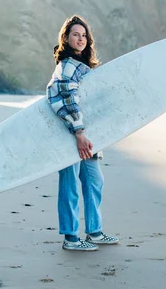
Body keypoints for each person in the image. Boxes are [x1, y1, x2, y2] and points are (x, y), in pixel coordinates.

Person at [46, 15, 120, 251]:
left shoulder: (82, 67)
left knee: (93, 181)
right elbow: (64, 97)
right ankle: (70, 237)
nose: (80, 39)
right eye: (75, 35)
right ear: (66, 39)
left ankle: (94, 232)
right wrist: (78, 132)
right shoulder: (67, 66)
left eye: (84, 35)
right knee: (69, 186)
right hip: (70, 134)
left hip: (86, 136)